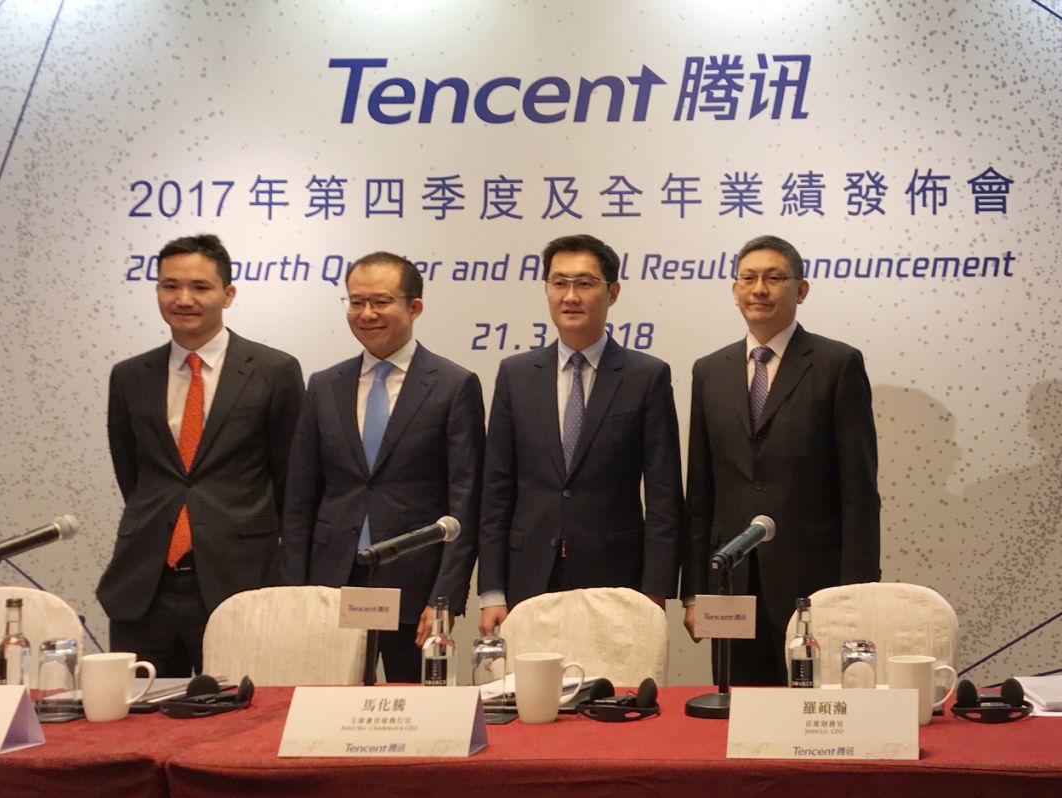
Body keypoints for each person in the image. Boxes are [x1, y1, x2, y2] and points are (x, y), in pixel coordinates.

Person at [98, 233, 304, 676]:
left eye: (200, 287)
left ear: (228, 294)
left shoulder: (275, 371)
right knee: (139, 712)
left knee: (239, 712)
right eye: (170, 286)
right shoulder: (130, 376)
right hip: (145, 585)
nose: (183, 299)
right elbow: (132, 474)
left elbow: (291, 480)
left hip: (239, 582)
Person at [682, 234, 880, 685]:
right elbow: (700, 491)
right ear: (734, 290)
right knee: (739, 709)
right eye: (748, 278)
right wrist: (694, 592)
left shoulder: (837, 364)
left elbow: (859, 491)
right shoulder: (709, 371)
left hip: (815, 581)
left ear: (801, 290)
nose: (759, 289)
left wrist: (858, 591)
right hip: (732, 582)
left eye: (774, 278)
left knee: (813, 709)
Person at [280, 252, 484, 682]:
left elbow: (465, 503)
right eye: (356, 302)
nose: (367, 313)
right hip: (332, 582)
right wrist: (296, 593)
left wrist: (444, 597)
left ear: (415, 307)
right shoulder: (324, 386)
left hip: (414, 585)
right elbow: (299, 500)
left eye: (381, 301)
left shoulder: (454, 386)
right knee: (326, 705)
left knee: (411, 709)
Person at [478, 234, 683, 635]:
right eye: (559, 282)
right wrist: (491, 591)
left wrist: (655, 590)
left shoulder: (646, 376)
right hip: (529, 573)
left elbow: (664, 495)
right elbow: (496, 489)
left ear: (613, 292)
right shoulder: (515, 375)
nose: (570, 296)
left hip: (616, 575)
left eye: (585, 283)